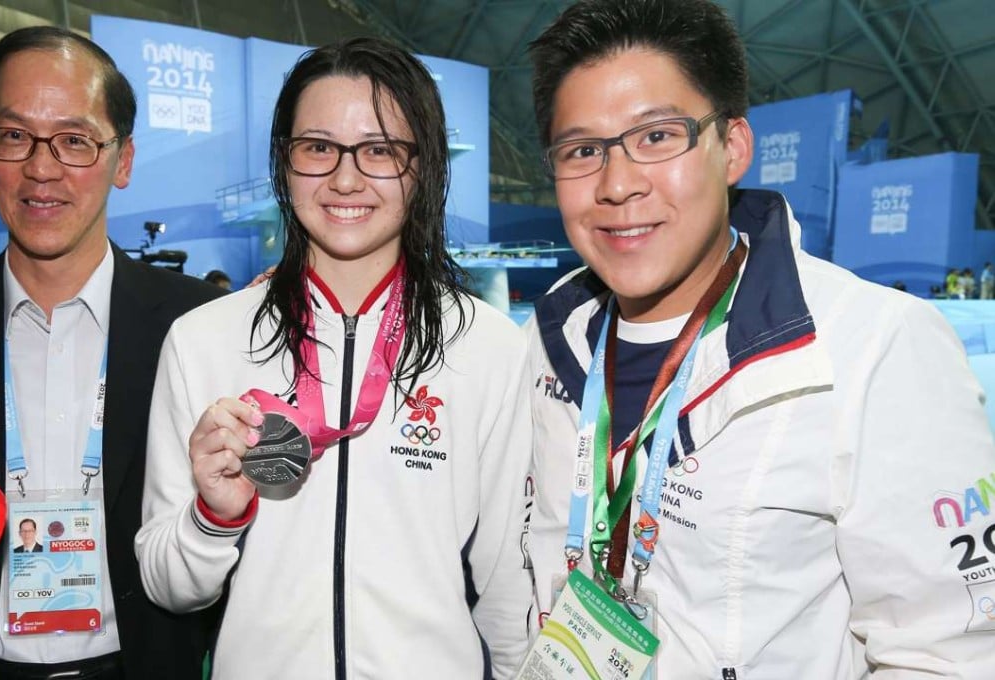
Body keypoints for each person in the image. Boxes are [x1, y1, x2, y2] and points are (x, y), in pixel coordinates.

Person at [523, 1, 995, 678]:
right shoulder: (553, 341)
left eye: (657, 137)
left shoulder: (873, 351)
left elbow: (951, 654)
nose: (618, 184)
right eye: (583, 150)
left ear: (733, 147)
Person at [135, 37, 533, 680]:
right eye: (318, 148)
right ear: (284, 163)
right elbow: (168, 584)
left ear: (422, 167)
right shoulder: (201, 339)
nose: (345, 179)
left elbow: (509, 587)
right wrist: (214, 515)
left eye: (379, 150)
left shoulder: (487, 348)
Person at [0, 26, 224, 680]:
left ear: (125, 160)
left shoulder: (197, 325)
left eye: (75, 140)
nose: (41, 167)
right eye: (13, 135)